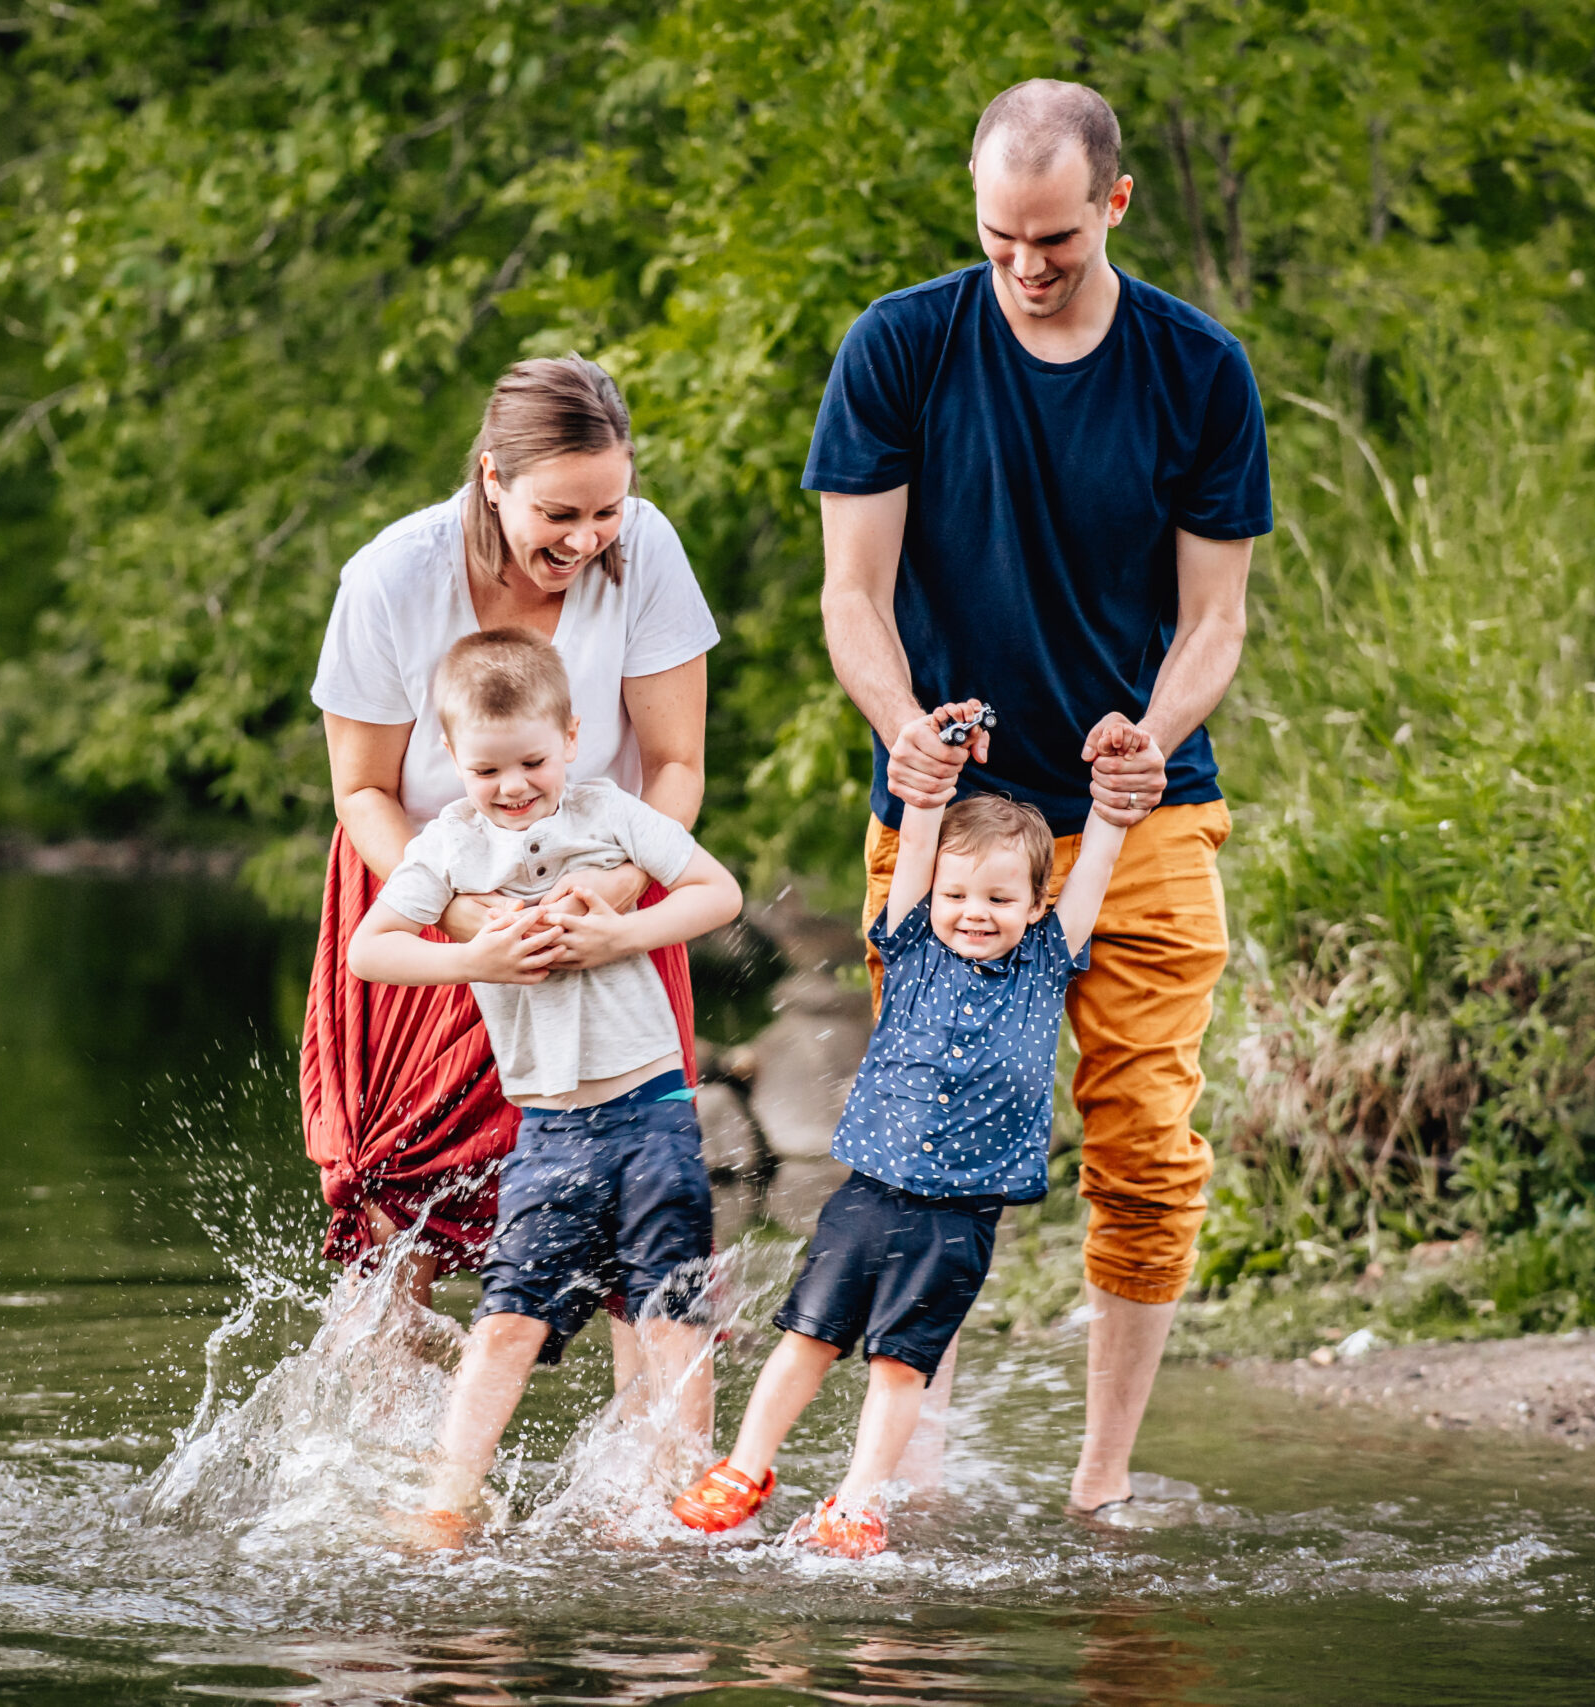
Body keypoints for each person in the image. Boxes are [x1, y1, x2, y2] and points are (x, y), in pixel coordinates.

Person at [807, 80, 1271, 1520]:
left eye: (1057, 236)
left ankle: (1100, 1482)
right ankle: (910, 1470)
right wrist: (901, 728)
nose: (1026, 264)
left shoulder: (1197, 369)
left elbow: (1216, 620)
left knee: (1144, 1142)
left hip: (1144, 811)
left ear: (1115, 204)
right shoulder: (901, 344)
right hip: (950, 820)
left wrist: (1157, 725)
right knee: (921, 1138)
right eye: (1001, 233)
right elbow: (853, 593)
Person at [304, 357, 720, 1342]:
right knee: (392, 1188)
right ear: (492, 478)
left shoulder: (645, 549)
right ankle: (389, 1469)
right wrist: (461, 918)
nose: (586, 541)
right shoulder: (390, 577)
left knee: (641, 1197)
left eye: (607, 511)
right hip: (426, 891)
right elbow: (360, 788)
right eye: (559, 516)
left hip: (605, 894)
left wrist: (614, 893)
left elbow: (677, 763)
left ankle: (648, 1488)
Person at [671, 704, 1139, 1556]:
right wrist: (934, 777)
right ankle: (745, 1465)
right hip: (869, 1194)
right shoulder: (912, 943)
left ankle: (858, 1501)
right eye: (958, 894)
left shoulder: (1045, 962)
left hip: (958, 1218)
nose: (973, 911)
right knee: (805, 1336)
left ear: (1038, 906)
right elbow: (919, 834)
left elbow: (1100, 855)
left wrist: (1111, 799)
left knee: (900, 1365)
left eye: (999, 897)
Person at [349, 628, 744, 1547]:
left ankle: (682, 1497)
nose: (515, 783)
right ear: (451, 758)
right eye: (489, 768)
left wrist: (621, 929)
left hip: (653, 1112)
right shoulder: (446, 849)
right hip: (550, 1130)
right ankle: (449, 1498)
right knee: (507, 1313)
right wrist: (474, 954)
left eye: (533, 758)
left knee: (670, 1305)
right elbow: (372, 950)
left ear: (571, 734)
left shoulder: (612, 816)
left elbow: (717, 892)